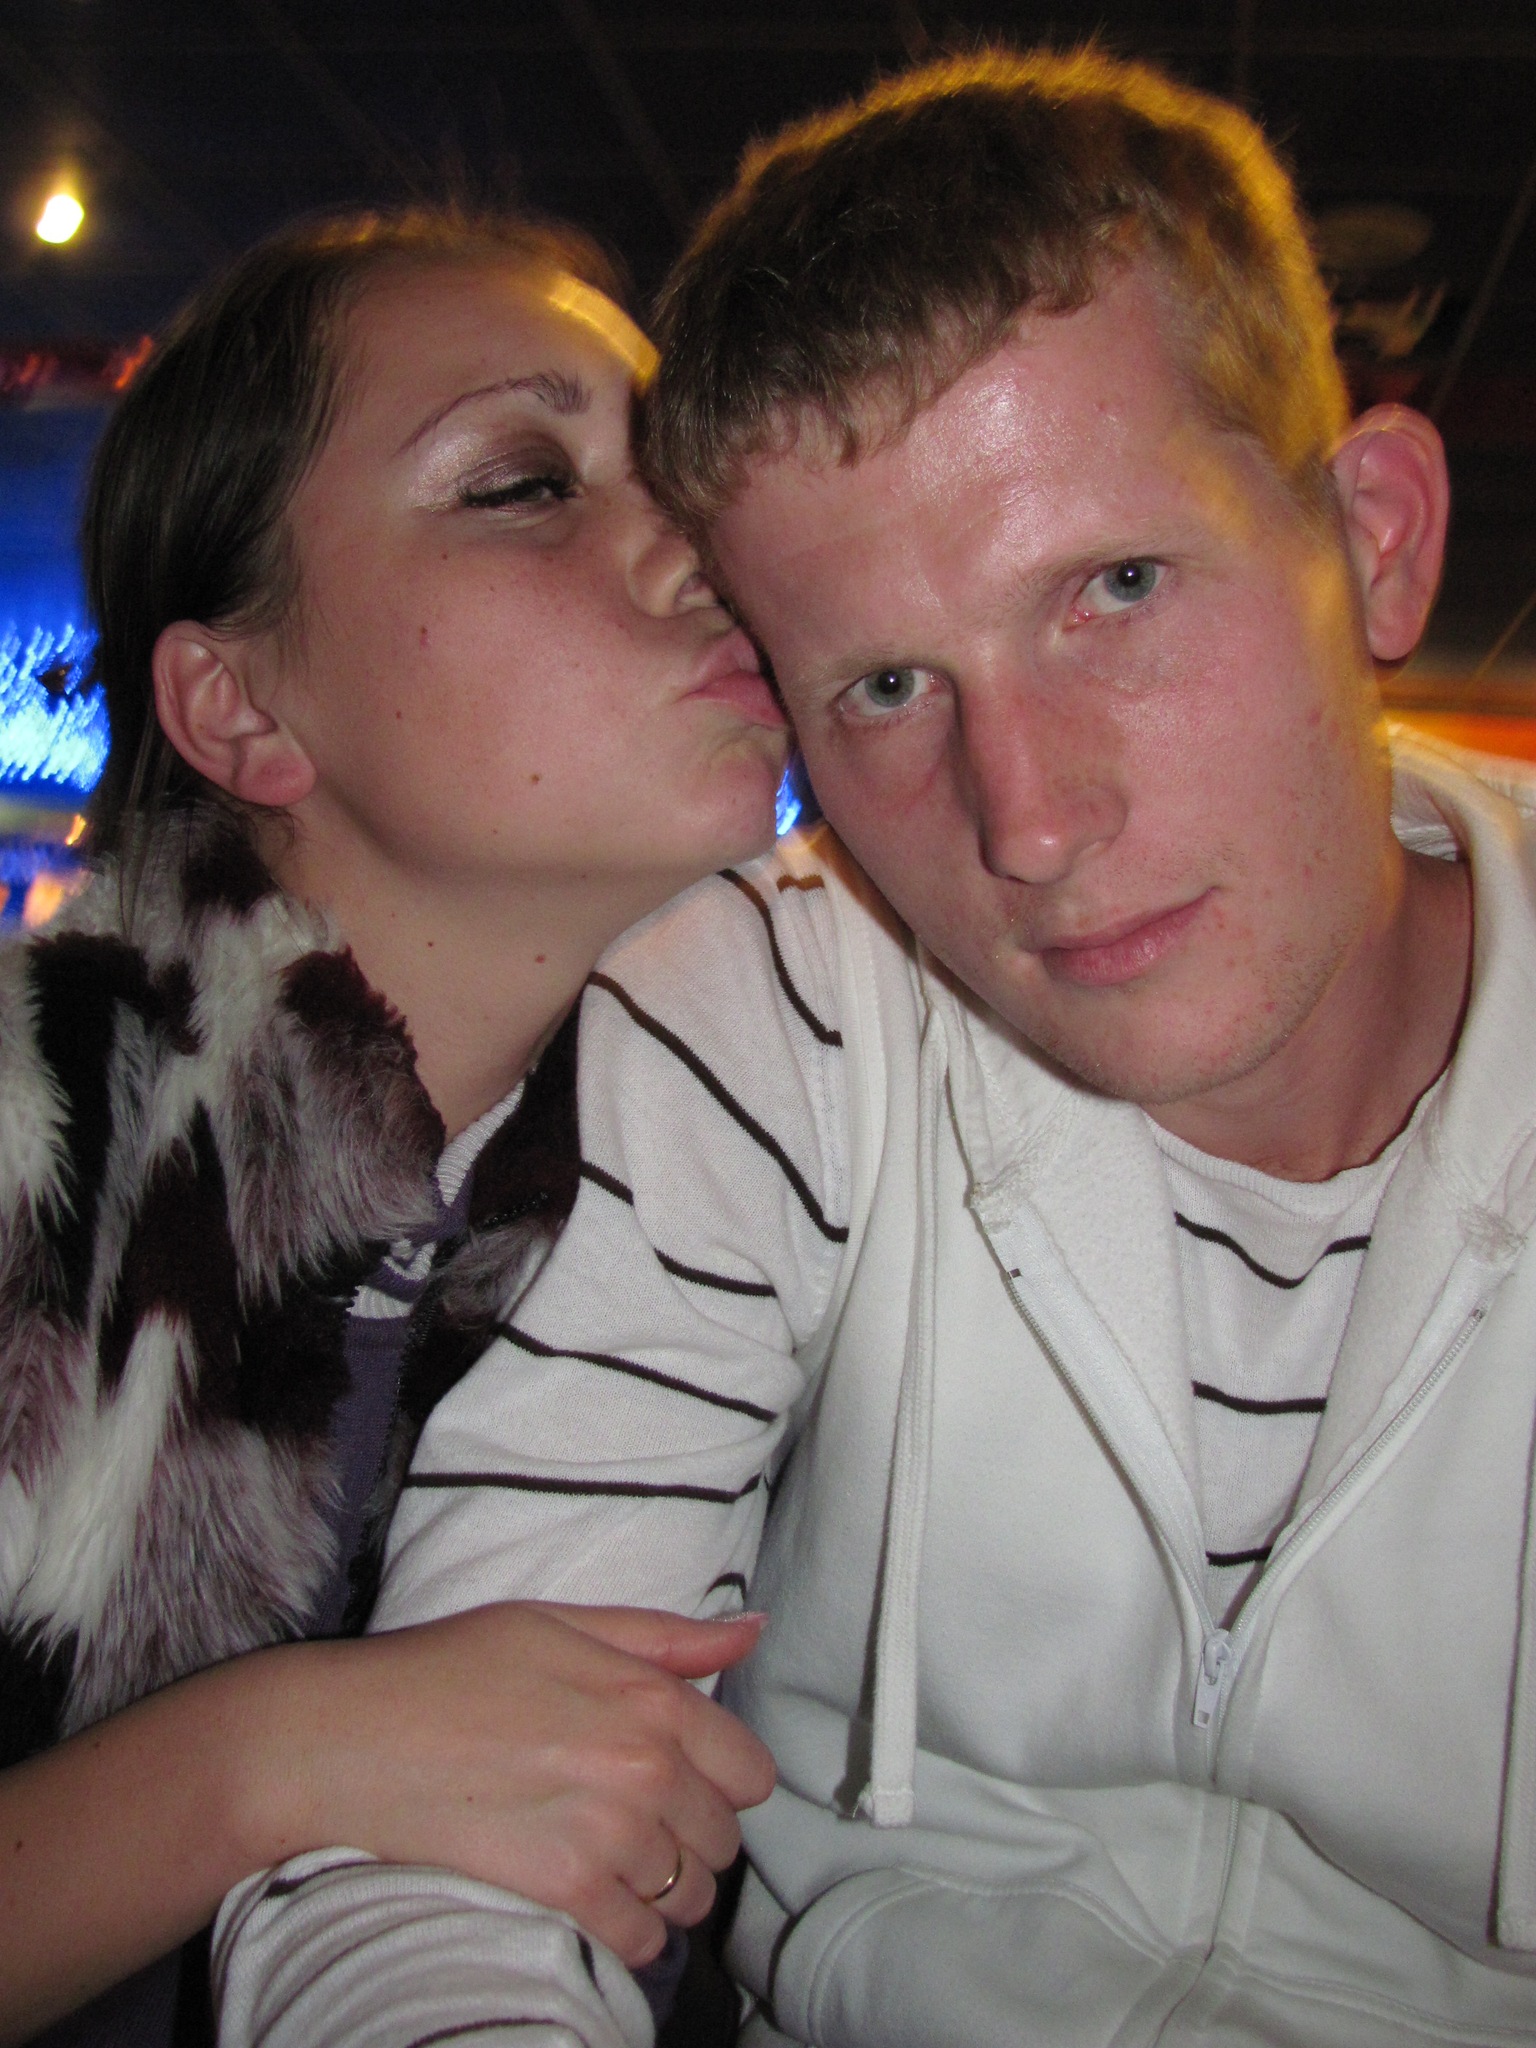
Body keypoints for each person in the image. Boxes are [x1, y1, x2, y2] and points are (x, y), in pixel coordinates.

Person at [218, 48, 1536, 2048]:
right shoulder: (771, 1010)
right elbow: (447, 1824)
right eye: (890, 686)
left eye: (1115, 589)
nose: (1029, 822)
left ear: (1376, 538)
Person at [0, 205, 786, 2046]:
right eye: (524, 484)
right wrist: (273, 1760)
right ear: (241, 706)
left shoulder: (778, 1182)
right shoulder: (40, 1149)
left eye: (684, 472)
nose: (705, 543)